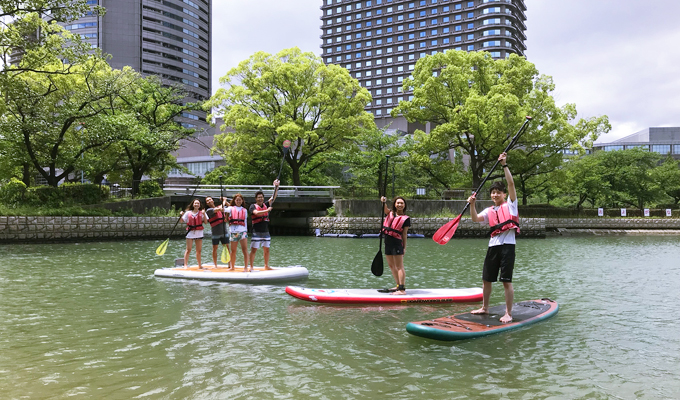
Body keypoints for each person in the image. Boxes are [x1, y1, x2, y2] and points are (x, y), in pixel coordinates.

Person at [468, 152, 519, 323]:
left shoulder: (511, 204)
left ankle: (508, 313)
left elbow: (511, 183)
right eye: (493, 193)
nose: (495, 195)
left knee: (506, 281)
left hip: (507, 247)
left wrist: (504, 165)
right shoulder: (489, 211)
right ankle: (485, 307)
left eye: (498, 192)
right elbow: (475, 219)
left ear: (504, 194)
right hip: (493, 247)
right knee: (486, 280)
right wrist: (472, 205)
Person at [378, 196, 410, 295]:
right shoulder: (390, 213)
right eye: (398, 203)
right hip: (387, 242)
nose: (400, 205)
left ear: (404, 206)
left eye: (402, 203)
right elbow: (385, 208)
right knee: (391, 266)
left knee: (399, 266)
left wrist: (404, 247)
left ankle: (402, 289)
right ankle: (397, 286)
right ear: (395, 204)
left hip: (397, 243)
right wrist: (383, 202)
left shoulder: (406, 219)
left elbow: (404, 234)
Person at [249, 179, 280, 271]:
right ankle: (251, 267)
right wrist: (267, 210)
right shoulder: (252, 206)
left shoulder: (266, 204)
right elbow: (256, 213)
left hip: (266, 231)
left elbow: (273, 197)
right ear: (256, 199)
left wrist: (276, 187)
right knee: (254, 250)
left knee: (266, 249)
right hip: (256, 232)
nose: (260, 199)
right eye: (258, 197)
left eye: (261, 197)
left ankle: (266, 265)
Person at [181, 198, 208, 268]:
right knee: (188, 249)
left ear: (199, 205)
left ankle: (199, 265)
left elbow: (205, 222)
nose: (196, 204)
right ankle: (185, 264)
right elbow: (181, 221)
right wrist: (181, 215)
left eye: (198, 203)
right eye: (195, 203)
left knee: (198, 250)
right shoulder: (188, 213)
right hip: (190, 232)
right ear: (193, 204)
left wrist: (204, 214)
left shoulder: (202, 213)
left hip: (199, 233)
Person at [225, 194, 249, 271]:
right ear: (234, 201)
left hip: (242, 232)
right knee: (233, 251)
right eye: (237, 200)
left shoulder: (244, 210)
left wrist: (246, 231)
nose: (238, 201)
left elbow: (245, 221)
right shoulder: (231, 208)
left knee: (245, 250)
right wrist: (224, 201)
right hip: (234, 232)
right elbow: (223, 209)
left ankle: (245, 267)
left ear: (242, 201)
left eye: (240, 200)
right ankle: (232, 267)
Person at [205, 196, 229, 269]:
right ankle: (215, 265)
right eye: (207, 201)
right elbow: (219, 209)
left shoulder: (220, 206)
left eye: (210, 199)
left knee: (227, 248)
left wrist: (225, 201)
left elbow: (230, 207)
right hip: (215, 233)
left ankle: (230, 264)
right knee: (215, 248)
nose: (209, 201)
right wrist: (224, 201)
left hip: (224, 232)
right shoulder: (209, 210)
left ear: (213, 200)